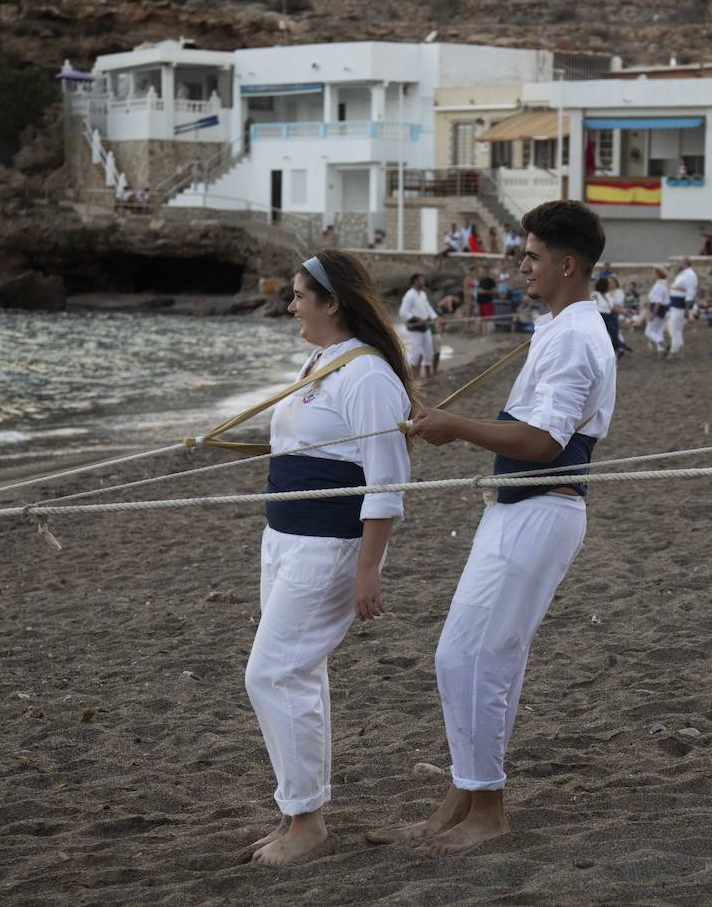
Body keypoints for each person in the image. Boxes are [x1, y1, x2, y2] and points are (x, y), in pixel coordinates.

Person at [374, 200, 616, 856]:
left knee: (472, 656)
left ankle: (488, 808)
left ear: (567, 265)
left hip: (541, 509)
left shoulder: (572, 335)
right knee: (474, 656)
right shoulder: (562, 326)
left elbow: (543, 439)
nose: (522, 265)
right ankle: (467, 793)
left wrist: (457, 428)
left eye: (532, 256)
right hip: (519, 509)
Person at [246, 250, 417, 866]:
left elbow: (387, 481)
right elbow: (306, 444)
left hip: (329, 546)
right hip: (284, 541)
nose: (291, 305)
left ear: (331, 302)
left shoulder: (369, 376)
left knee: (271, 674)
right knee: (300, 674)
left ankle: (308, 822)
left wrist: (369, 567)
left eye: (298, 295)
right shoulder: (321, 361)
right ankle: (300, 812)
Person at [400, 273, 439, 378]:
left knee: (429, 350)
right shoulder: (409, 295)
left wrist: (435, 317)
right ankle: (413, 377)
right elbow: (403, 312)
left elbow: (427, 308)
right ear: (415, 282)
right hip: (415, 328)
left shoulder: (422, 294)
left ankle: (428, 374)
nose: (423, 282)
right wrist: (417, 318)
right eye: (421, 280)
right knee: (416, 353)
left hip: (425, 327)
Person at [667, 257, 697, 358]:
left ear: (685, 263)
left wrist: (687, 309)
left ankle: (674, 351)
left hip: (680, 306)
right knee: (675, 328)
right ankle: (679, 350)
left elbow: (690, 293)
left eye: (679, 262)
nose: (678, 264)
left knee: (675, 328)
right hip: (675, 305)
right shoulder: (682, 274)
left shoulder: (690, 275)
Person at [645, 266, 671, 355]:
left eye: (653, 273)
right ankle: (661, 350)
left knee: (649, 332)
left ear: (657, 274)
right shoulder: (664, 284)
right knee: (658, 330)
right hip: (664, 311)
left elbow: (658, 302)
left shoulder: (659, 286)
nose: (652, 275)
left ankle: (662, 344)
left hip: (659, 311)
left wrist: (653, 314)